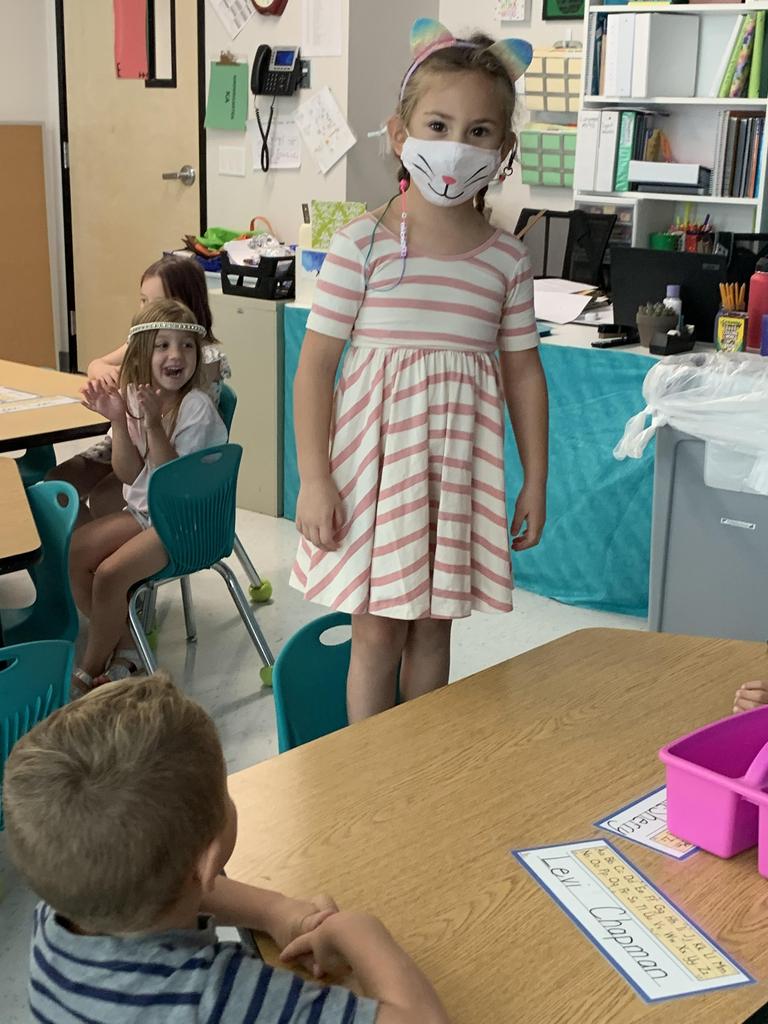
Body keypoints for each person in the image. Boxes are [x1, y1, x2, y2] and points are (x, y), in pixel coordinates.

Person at [291, 19, 547, 722]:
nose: (457, 146)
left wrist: (536, 478)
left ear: (504, 149)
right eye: (439, 125)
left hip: (454, 473)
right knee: (377, 633)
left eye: (479, 131)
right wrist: (315, 478)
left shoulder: (506, 260)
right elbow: (314, 370)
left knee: (435, 630)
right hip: (376, 475)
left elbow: (524, 374)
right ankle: (372, 766)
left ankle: (417, 764)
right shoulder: (361, 246)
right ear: (400, 134)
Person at [3, 674, 451, 1024]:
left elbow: (177, 883)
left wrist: (275, 910)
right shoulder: (216, 997)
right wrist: (358, 931)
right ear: (209, 856)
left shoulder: (63, 912)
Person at [68, 298, 228, 693]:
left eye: (186, 346)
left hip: (186, 523)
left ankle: (90, 668)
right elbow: (128, 474)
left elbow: (174, 486)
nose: (176, 355)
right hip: (148, 515)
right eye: (163, 345)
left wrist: (154, 425)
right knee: (76, 551)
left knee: (109, 575)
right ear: (142, 353)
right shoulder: (138, 399)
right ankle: (127, 644)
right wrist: (119, 420)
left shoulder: (196, 407)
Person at [49, 255, 230, 525]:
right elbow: (97, 364)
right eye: (143, 300)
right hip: (128, 443)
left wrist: (130, 383)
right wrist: (107, 373)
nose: (147, 309)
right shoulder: (144, 340)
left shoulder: (201, 359)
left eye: (157, 302)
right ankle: (93, 543)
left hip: (161, 459)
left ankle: (111, 542)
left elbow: (170, 404)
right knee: (56, 484)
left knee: (103, 498)